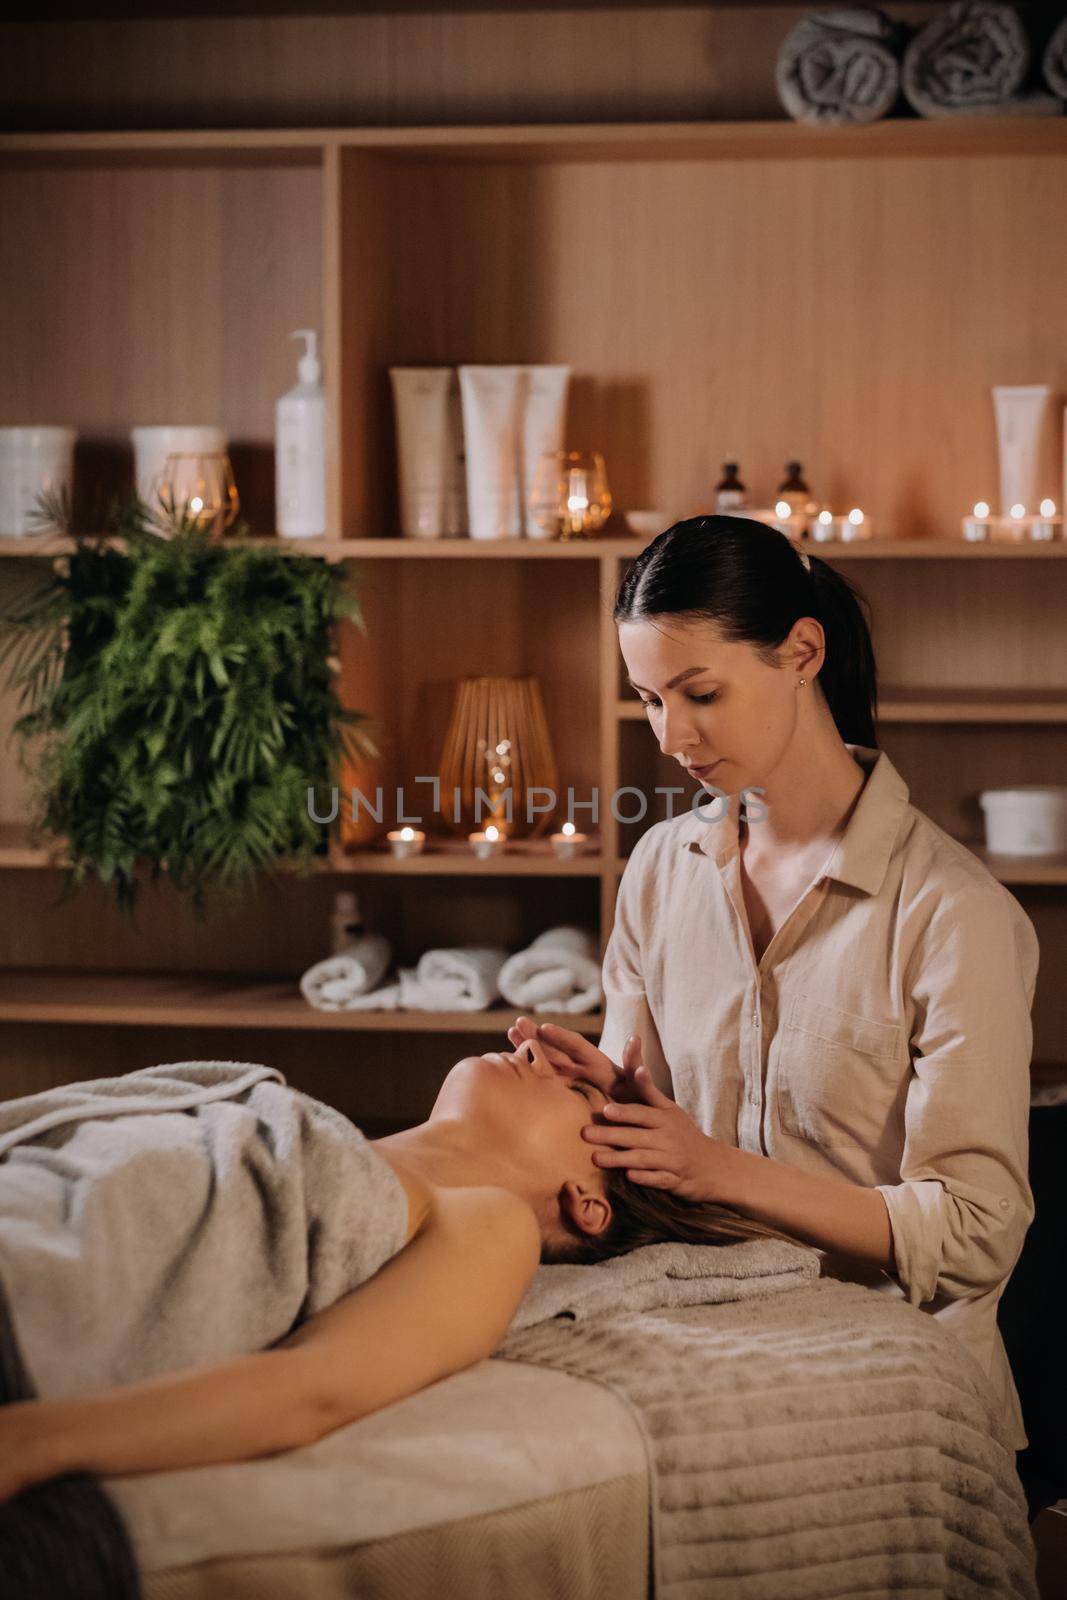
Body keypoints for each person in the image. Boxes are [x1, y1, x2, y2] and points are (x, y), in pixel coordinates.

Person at [510, 512, 1040, 1469]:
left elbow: (972, 1233)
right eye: (647, 700)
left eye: (699, 692)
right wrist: (606, 1106)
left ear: (802, 652)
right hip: (710, 1359)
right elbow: (655, 1164)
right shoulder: (660, 871)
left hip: (904, 1395)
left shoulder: (952, 914)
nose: (672, 735)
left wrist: (714, 1168)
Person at [0, 1036, 797, 1509]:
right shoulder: (317, 1128)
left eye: (579, 1088)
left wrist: (30, 1444)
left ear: (589, 1201)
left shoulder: (489, 1220)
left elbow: (312, 1389)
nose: (531, 1047)